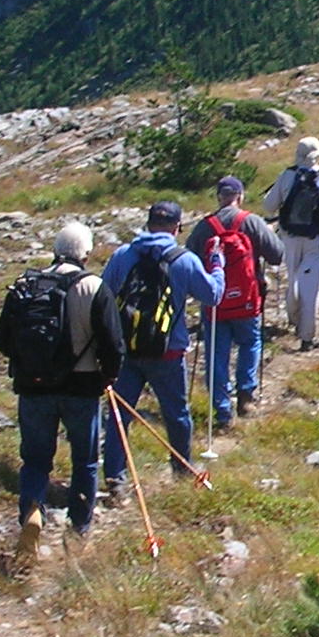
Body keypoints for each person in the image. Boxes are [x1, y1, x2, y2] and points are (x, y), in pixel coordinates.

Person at [0, 219, 121, 570]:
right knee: (85, 461)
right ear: (86, 253)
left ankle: (33, 511)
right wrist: (108, 376)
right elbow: (113, 345)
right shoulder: (95, 287)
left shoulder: (24, 285)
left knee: (35, 460)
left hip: (33, 388)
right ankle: (78, 530)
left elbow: (2, 339)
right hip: (83, 389)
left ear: (54, 250)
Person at [99, 199, 223, 495]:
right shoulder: (184, 260)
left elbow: (103, 296)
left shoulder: (123, 255)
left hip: (126, 350)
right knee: (176, 414)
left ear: (148, 223)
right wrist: (217, 265)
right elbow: (213, 295)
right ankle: (181, 469)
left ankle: (115, 477)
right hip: (168, 350)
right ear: (177, 227)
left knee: (119, 414)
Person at [187, 175, 282, 430]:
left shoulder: (205, 227)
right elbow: (277, 255)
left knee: (216, 353)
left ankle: (222, 410)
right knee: (250, 343)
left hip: (215, 302)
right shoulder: (251, 222)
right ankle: (246, 397)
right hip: (247, 300)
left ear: (219, 197)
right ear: (240, 196)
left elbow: (189, 260)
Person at [260, 137, 319, 350]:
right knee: (311, 286)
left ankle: (293, 318)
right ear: (318, 154)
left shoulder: (287, 175)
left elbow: (268, 206)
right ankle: (307, 337)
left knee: (293, 278)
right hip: (316, 238)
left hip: (289, 237)